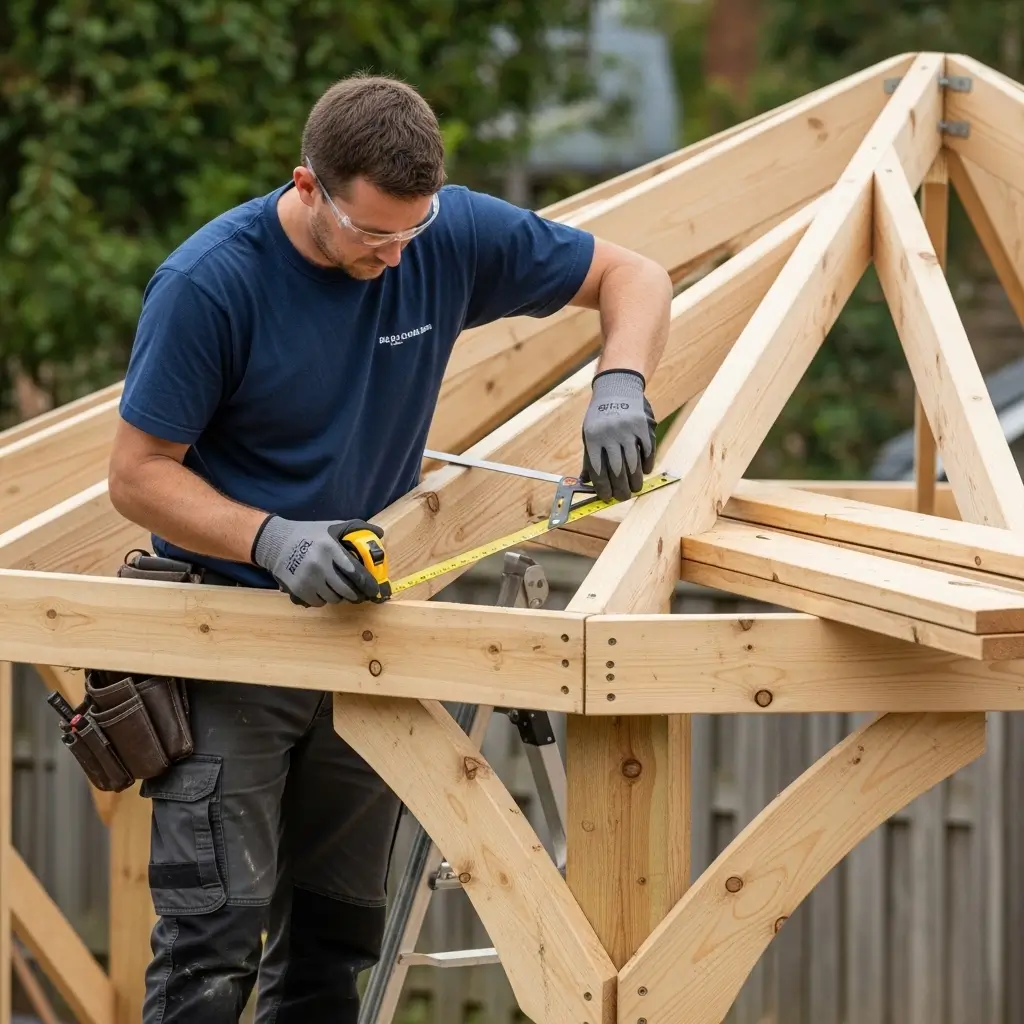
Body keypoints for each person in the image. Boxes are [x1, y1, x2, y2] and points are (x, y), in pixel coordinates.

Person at [107, 72, 671, 1024]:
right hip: (226, 636)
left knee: (334, 946)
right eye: (372, 234)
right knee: (210, 954)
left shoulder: (440, 233)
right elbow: (136, 475)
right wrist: (270, 538)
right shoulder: (212, 284)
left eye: (411, 232)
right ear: (306, 185)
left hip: (362, 634)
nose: (394, 254)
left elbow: (636, 276)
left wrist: (620, 385)